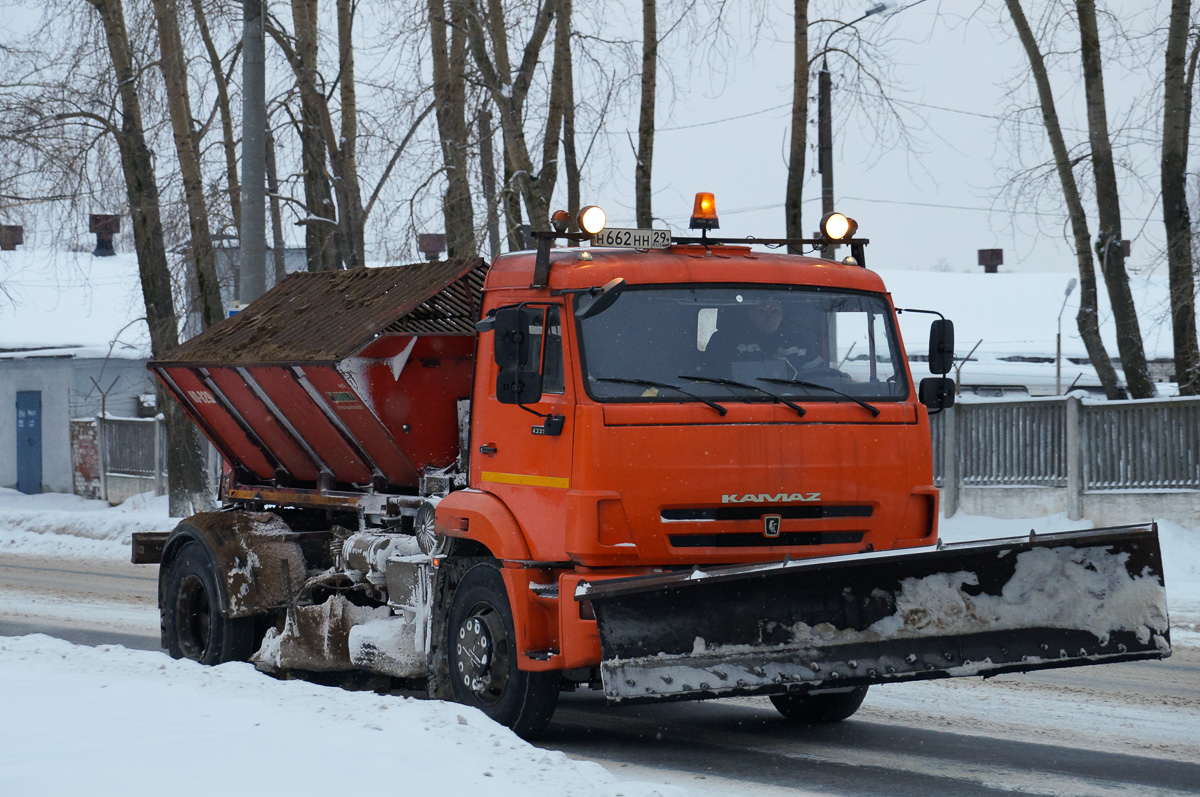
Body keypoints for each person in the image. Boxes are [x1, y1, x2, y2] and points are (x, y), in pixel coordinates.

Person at [704, 300, 837, 379]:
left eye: (775, 312)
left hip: (794, 405)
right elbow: (713, 381)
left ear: (782, 314)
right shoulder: (727, 341)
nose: (770, 317)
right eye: (763, 312)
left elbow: (820, 378)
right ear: (751, 314)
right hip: (736, 405)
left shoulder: (799, 343)